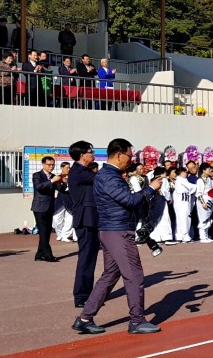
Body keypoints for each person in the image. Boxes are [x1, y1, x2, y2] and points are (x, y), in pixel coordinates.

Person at [73, 138, 163, 335]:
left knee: (111, 274)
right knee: (134, 275)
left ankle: (85, 318)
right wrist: (150, 188)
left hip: (112, 230)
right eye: (130, 156)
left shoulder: (109, 175)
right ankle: (137, 320)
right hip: (118, 231)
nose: (131, 160)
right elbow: (129, 200)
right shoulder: (109, 177)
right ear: (119, 155)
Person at [68, 141, 99, 307]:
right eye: (90, 152)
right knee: (86, 258)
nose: (93, 154)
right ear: (82, 155)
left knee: (90, 258)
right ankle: (81, 296)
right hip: (85, 220)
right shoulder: (78, 172)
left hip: (92, 219)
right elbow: (101, 178)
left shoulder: (85, 171)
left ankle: (87, 293)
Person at [31, 156, 63, 262]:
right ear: (43, 164)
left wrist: (64, 182)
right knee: (43, 231)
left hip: (50, 206)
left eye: (53, 164)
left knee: (47, 231)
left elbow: (60, 188)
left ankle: (39, 254)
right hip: (39, 207)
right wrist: (52, 181)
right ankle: (48, 255)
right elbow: (39, 187)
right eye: (49, 165)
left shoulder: (53, 176)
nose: (51, 167)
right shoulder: (37, 175)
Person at [172, 167, 196, 243]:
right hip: (183, 202)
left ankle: (179, 236)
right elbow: (192, 186)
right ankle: (185, 237)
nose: (186, 173)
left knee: (180, 219)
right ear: (181, 173)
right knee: (185, 218)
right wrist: (193, 189)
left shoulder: (179, 180)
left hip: (181, 202)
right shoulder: (181, 180)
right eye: (185, 172)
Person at [53, 162, 75, 242]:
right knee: (57, 219)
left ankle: (65, 235)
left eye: (69, 167)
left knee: (70, 219)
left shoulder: (72, 178)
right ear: (62, 168)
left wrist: (67, 182)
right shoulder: (58, 177)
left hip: (70, 200)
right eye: (67, 167)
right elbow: (58, 188)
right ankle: (60, 234)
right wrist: (64, 182)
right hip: (60, 201)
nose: (68, 169)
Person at [195, 163, 213, 242]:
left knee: (209, 218)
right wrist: (202, 203)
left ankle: (206, 235)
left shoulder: (210, 180)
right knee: (203, 218)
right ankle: (202, 237)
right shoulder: (200, 181)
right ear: (203, 170)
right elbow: (199, 193)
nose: (210, 170)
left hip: (210, 200)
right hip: (203, 200)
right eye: (208, 169)